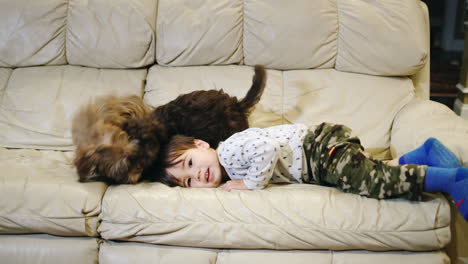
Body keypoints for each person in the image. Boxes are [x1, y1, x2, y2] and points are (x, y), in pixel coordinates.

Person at [157, 123, 467, 221]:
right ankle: (426, 154)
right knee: (373, 171)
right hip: (317, 161)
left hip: (317, 149)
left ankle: (451, 181)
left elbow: (266, 148)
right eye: (187, 182)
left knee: (367, 182)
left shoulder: (228, 152)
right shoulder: (225, 163)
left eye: (190, 163)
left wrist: (249, 184)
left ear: (201, 143)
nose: (197, 175)